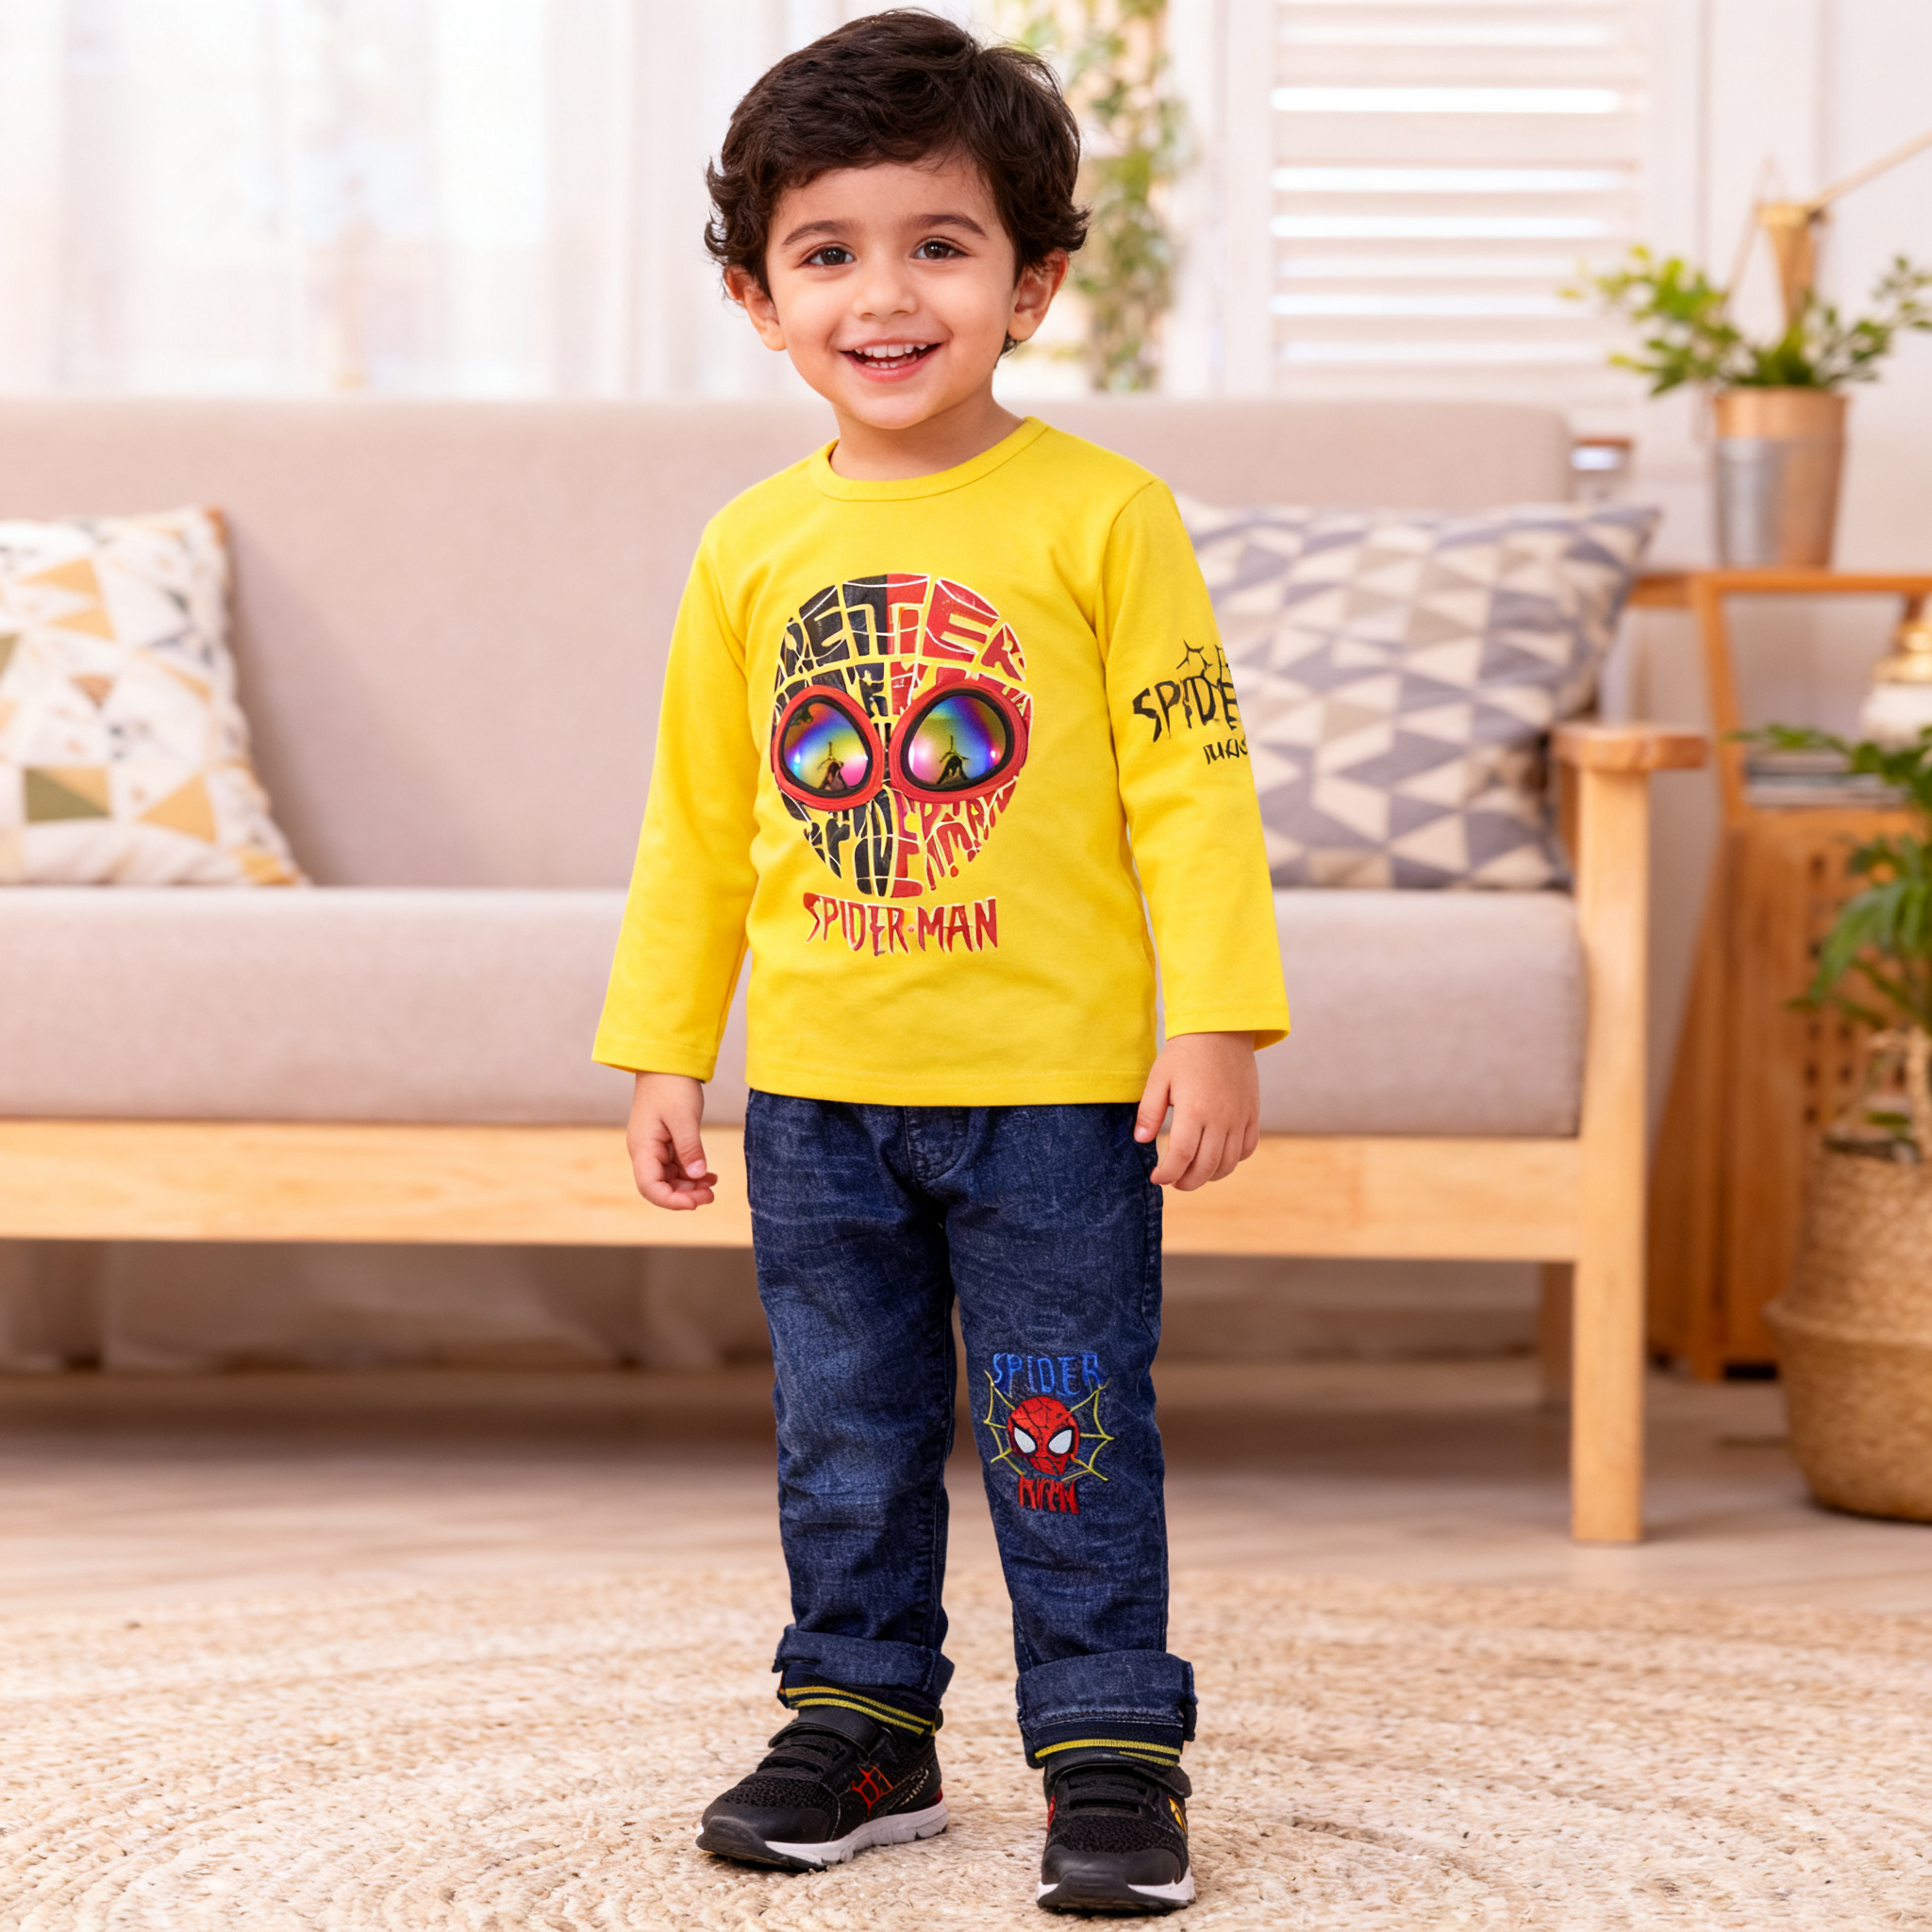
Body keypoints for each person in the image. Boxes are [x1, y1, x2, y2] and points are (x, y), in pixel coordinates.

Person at [593, 11, 1289, 1916]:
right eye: (827, 252)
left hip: (1058, 1099)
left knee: (1063, 1425)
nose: (882, 294)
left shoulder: (1104, 516)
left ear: (1033, 281)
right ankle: (863, 1724)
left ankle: (1109, 1750)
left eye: (938, 244)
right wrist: (668, 1048)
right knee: (847, 1433)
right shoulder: (749, 547)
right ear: (756, 298)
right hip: (820, 1100)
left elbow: (1190, 795)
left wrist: (1213, 1020)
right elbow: (698, 823)